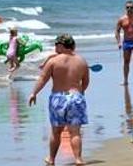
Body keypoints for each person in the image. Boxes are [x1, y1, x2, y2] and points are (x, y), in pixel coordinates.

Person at [28, 34, 90, 166]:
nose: (54, 47)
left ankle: (51, 159)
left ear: (61, 46)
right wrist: (80, 92)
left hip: (58, 98)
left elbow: (42, 79)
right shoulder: (82, 61)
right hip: (76, 97)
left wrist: (34, 93)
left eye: (56, 45)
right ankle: (78, 159)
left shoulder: (54, 61)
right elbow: (85, 82)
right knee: (75, 132)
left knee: (56, 132)